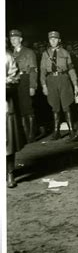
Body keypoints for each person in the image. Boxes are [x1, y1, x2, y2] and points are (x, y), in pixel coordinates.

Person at [40, 31, 78, 139]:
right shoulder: (45, 54)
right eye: (51, 39)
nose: (53, 41)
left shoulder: (65, 53)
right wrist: (43, 85)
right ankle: (56, 131)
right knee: (54, 106)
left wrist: (75, 84)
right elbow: (42, 71)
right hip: (51, 80)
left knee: (66, 105)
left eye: (55, 39)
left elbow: (71, 69)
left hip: (64, 79)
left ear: (59, 40)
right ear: (49, 40)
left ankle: (71, 130)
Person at [10, 29, 38, 143]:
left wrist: (33, 86)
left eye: (15, 38)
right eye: (11, 39)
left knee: (27, 107)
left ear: (20, 39)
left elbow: (33, 70)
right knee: (19, 109)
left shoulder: (28, 52)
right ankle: (24, 135)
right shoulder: (10, 53)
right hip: (14, 82)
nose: (13, 41)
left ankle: (31, 135)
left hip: (25, 80)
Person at [6, 50, 26, 188]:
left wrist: (6, 82)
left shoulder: (6, 57)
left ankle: (10, 174)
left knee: (8, 142)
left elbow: (15, 78)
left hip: (5, 105)